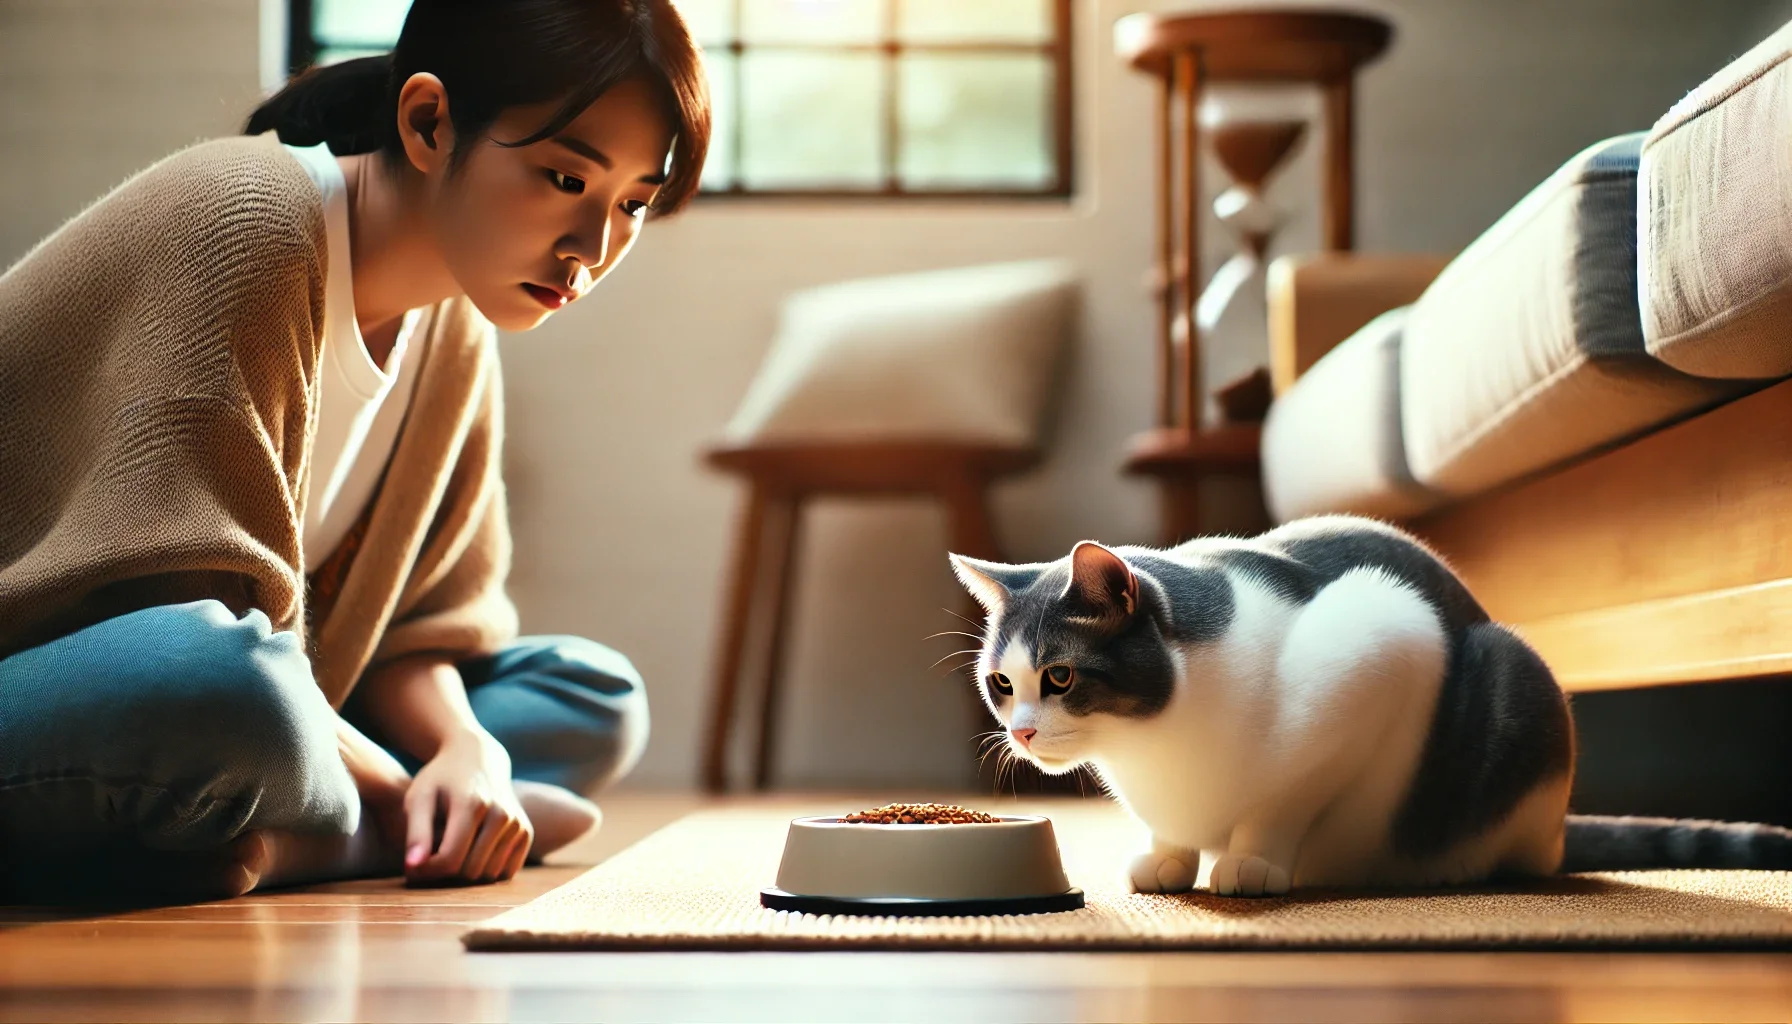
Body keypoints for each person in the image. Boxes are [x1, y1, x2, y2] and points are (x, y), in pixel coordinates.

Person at [0, 0, 710, 904]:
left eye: (634, 204)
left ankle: (278, 833)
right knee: (217, 692)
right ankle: (374, 835)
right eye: (565, 181)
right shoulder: (246, 223)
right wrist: (414, 785)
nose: (592, 249)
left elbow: (418, 629)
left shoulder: (458, 318)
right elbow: (186, 615)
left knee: (589, 695)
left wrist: (467, 748)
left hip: (277, 708)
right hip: (79, 672)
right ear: (427, 123)